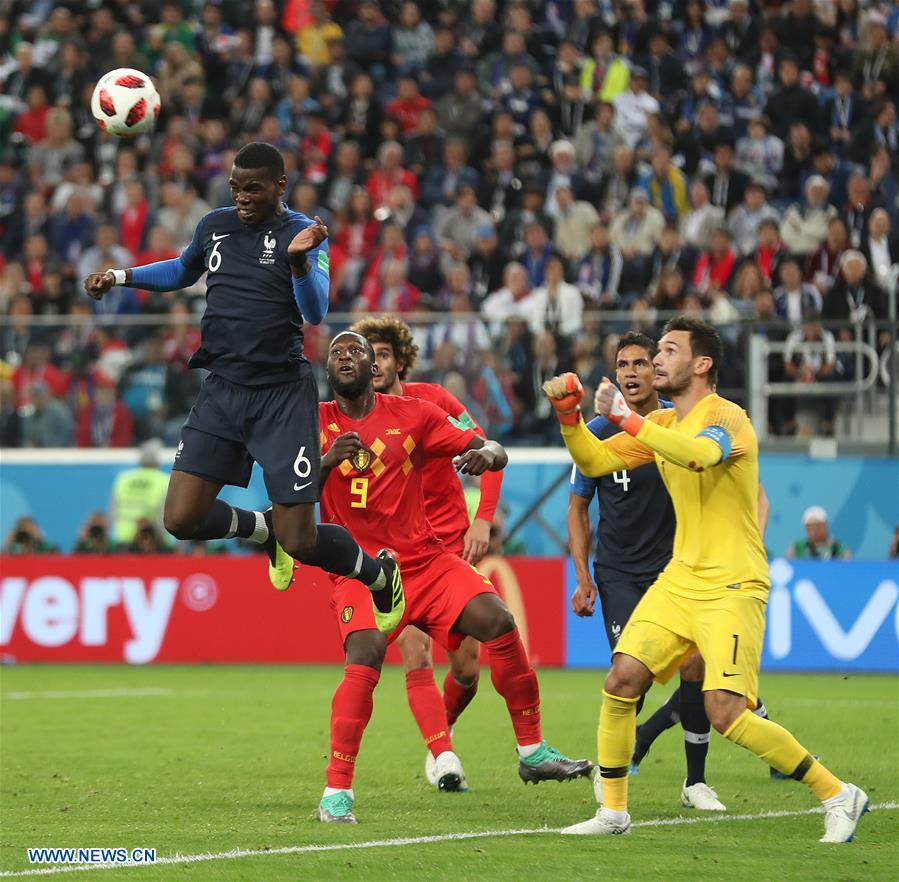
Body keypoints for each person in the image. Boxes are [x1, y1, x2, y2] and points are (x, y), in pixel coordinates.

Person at [543, 317, 867, 842]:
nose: (656, 361)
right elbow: (595, 459)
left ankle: (837, 793)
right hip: (680, 580)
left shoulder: (728, 418)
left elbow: (701, 457)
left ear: (702, 364)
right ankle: (614, 813)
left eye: (668, 351)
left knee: (726, 712)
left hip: (732, 585)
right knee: (622, 678)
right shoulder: (666, 424)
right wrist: (567, 417)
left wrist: (626, 417)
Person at [82, 142, 403, 629]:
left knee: (302, 540)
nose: (242, 197)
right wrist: (120, 275)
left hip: (280, 395)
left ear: (280, 186)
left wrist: (298, 264)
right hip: (223, 388)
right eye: (235, 187)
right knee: (181, 518)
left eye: (253, 188)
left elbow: (315, 310)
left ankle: (379, 576)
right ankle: (260, 530)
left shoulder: (302, 233)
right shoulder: (215, 225)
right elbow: (181, 269)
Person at [300, 331, 591, 823]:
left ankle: (532, 751)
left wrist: (487, 455)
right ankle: (337, 792)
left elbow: (493, 450)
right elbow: (291, 491)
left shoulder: (416, 412)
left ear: (376, 368)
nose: (345, 356)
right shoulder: (312, 423)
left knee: (497, 619)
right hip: (360, 570)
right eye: (337, 352)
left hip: (426, 562)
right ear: (327, 370)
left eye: (357, 351)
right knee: (365, 655)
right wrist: (327, 463)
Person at [569, 332, 772, 810]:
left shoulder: (686, 422)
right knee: (627, 676)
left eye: (647, 360)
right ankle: (619, 767)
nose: (636, 370)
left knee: (695, 670)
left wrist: (749, 539)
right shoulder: (607, 428)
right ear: (615, 373)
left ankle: (693, 780)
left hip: (678, 567)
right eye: (625, 364)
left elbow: (744, 486)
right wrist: (583, 577)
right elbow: (578, 504)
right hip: (618, 570)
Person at [349, 314, 504, 792]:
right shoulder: (352, 417)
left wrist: (483, 519)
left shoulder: (434, 402)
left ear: (400, 361)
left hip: (449, 548)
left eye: (382, 354)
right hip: (394, 556)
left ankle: (445, 727)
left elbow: (489, 453)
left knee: (467, 667)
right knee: (415, 655)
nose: (372, 363)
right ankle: (443, 753)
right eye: (364, 355)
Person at [787, 506, 851, 560]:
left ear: (825, 525)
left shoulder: (839, 549)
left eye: (818, 526)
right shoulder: (797, 547)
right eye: (810, 527)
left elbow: (847, 570)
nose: (814, 530)